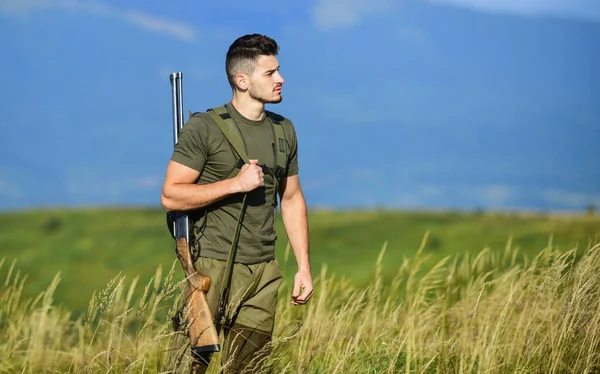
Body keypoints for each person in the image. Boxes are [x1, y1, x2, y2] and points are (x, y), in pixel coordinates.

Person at [160, 34, 313, 374]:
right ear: (242, 81)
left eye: (279, 70)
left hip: (262, 273)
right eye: (270, 73)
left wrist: (304, 265)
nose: (281, 79)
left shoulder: (283, 131)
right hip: (209, 268)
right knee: (186, 367)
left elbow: (291, 199)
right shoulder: (205, 128)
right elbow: (171, 194)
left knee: (250, 369)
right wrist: (235, 184)